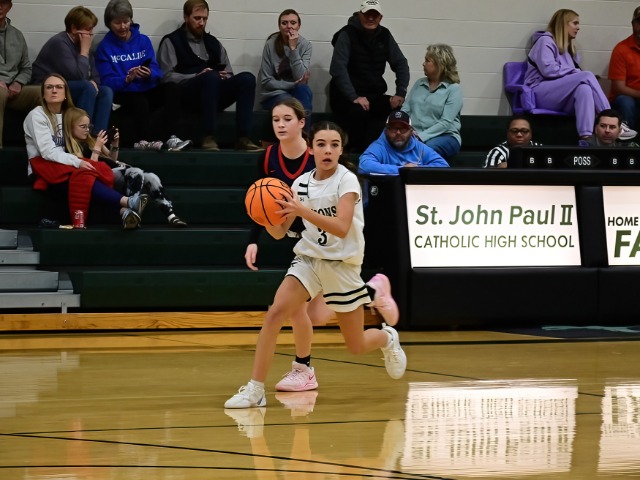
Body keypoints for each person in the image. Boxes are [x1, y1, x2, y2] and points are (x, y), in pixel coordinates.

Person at [225, 121, 406, 409]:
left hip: (342, 265)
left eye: (334, 145)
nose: (327, 150)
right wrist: (262, 214)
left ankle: (387, 338)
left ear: (341, 150)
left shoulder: (347, 181)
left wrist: (302, 210)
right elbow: (279, 232)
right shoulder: (300, 184)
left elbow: (342, 227)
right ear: (311, 149)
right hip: (308, 259)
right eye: (321, 144)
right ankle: (255, 390)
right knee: (275, 314)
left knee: (356, 344)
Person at [23, 74, 145, 229]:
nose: (54, 90)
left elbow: (84, 141)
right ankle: (127, 202)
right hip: (42, 166)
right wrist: (78, 162)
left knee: (96, 171)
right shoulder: (36, 115)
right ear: (43, 94)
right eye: (49, 87)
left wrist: (107, 144)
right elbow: (47, 152)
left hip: (65, 164)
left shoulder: (68, 115)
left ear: (66, 94)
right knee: (85, 176)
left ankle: (124, 212)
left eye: (59, 87)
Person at [157, 0, 262, 152]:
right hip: (187, 95)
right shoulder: (172, 41)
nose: (201, 23)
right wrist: (196, 76)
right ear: (186, 17)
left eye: (204, 19)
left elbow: (229, 72)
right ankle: (208, 136)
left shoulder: (213, 43)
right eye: (197, 18)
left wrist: (224, 77)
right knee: (210, 77)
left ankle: (243, 137)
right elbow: (165, 76)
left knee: (247, 79)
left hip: (213, 92)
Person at [63, 107, 188, 227]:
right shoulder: (72, 148)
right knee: (135, 172)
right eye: (83, 127)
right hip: (101, 175)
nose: (87, 130)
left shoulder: (91, 139)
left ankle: (170, 215)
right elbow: (89, 171)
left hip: (114, 169)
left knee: (151, 177)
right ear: (70, 127)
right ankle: (132, 212)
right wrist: (97, 148)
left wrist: (115, 144)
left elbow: (112, 159)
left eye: (89, 126)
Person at [95, 0, 184, 149]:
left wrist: (149, 73)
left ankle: (172, 138)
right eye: (117, 23)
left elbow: (156, 69)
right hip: (124, 92)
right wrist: (126, 79)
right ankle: (144, 141)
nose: (123, 26)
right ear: (109, 23)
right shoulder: (104, 47)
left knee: (171, 88)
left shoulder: (143, 40)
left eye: (126, 21)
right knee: (139, 101)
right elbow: (106, 81)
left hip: (146, 87)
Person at [329, 0, 410, 152]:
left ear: (380, 17)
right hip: (346, 96)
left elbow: (401, 63)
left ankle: (384, 152)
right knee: (359, 113)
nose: (371, 18)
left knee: (397, 110)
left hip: (373, 95)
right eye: (367, 14)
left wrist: (400, 93)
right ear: (360, 15)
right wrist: (354, 97)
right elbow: (338, 69)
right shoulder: (346, 34)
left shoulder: (385, 35)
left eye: (375, 15)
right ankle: (358, 154)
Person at [524, 9, 615, 142]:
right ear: (563, 24)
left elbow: (568, 77)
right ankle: (611, 120)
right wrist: (576, 72)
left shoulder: (569, 49)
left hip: (560, 95)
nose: (578, 27)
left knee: (584, 89)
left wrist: (576, 73)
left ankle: (586, 137)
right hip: (539, 92)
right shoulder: (544, 41)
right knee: (587, 75)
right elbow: (549, 71)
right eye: (575, 23)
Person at [31, 6, 113, 135]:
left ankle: (97, 136)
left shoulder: (81, 43)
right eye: (88, 29)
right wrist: (84, 51)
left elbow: (96, 76)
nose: (91, 34)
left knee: (106, 91)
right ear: (74, 28)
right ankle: (80, 136)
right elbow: (78, 75)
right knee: (87, 87)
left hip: (69, 85)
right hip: (47, 86)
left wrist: (94, 82)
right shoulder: (59, 43)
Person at [402, 44, 463, 161]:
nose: (423, 64)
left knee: (426, 149)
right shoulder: (419, 83)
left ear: (439, 64)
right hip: (414, 134)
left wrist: (420, 136)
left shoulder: (453, 89)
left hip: (445, 136)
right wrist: (401, 128)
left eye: (427, 60)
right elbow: (405, 110)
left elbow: (445, 123)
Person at [0, 0, 42, 149]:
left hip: (12, 89)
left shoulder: (17, 35)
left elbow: (26, 68)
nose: (0, 6)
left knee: (44, 92)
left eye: (3, 3)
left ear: (10, 6)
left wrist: (18, 82)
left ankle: (46, 149)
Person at [259, 9, 312, 119]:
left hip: (296, 91)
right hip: (274, 94)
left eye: (293, 23)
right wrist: (292, 85)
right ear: (279, 26)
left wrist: (293, 49)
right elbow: (266, 81)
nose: (289, 26)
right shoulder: (270, 44)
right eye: (284, 23)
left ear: (299, 26)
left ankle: (303, 130)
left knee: (304, 90)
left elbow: (300, 78)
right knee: (290, 104)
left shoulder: (306, 45)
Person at [359, 111, 449, 175]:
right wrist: (402, 170)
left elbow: (443, 166)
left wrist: (416, 169)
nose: (398, 133)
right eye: (394, 128)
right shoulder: (379, 146)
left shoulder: (419, 147)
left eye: (403, 129)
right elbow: (364, 166)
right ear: (386, 130)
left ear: (411, 131)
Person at [608, 6, 640, 135]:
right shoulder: (621, 49)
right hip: (625, 99)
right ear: (633, 24)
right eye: (639, 22)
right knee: (626, 102)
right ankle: (626, 142)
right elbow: (618, 88)